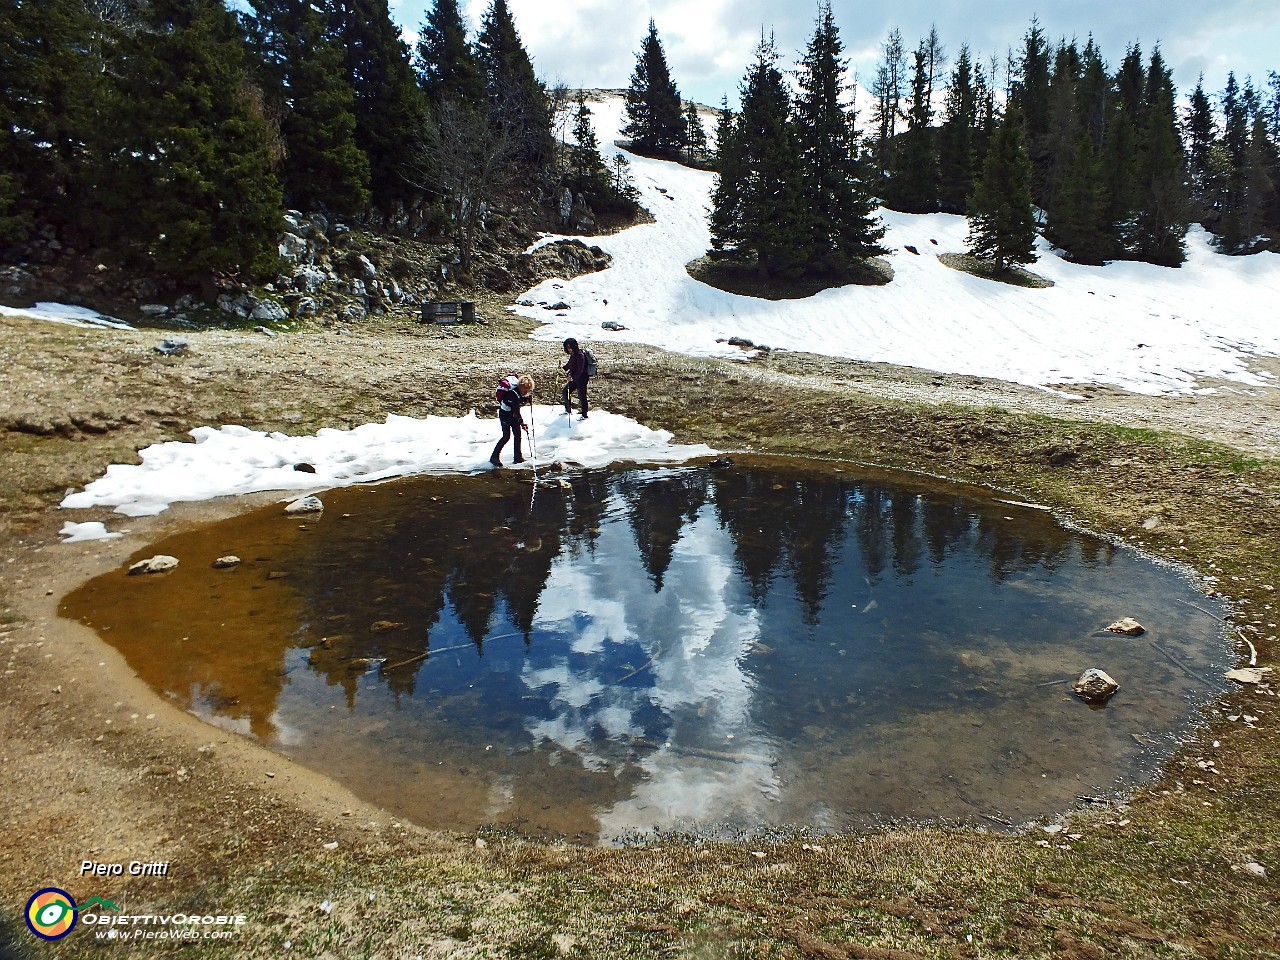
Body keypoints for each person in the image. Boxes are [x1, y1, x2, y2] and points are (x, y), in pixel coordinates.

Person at [490, 373, 533, 467]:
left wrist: (526, 400)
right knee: (506, 436)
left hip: (511, 415)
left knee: (518, 435)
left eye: (528, 389)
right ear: (520, 386)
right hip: (505, 415)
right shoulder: (513, 394)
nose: (526, 391)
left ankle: (518, 457)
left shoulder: (518, 393)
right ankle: (494, 457)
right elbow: (516, 411)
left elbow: (518, 405)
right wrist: (522, 423)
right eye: (525, 389)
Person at [561, 337, 589, 419]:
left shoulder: (580, 355)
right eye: (567, 347)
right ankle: (568, 410)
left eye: (570, 347)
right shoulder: (573, 354)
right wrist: (563, 368)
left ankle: (584, 415)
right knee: (566, 392)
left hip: (582, 379)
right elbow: (570, 364)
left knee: (582, 396)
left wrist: (572, 378)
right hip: (575, 378)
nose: (569, 349)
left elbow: (580, 370)